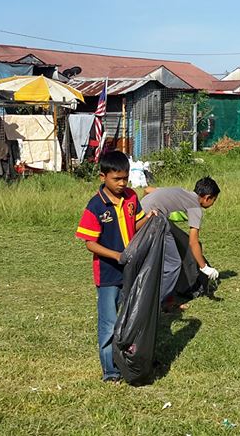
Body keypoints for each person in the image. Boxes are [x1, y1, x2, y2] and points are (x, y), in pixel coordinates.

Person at [75, 151, 157, 383]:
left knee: (131, 318)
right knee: (109, 323)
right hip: (109, 275)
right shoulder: (96, 206)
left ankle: (130, 360)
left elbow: (136, 223)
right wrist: (117, 256)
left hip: (131, 272)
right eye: (117, 179)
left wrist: (150, 217)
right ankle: (110, 370)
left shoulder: (131, 197)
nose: (122, 183)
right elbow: (90, 243)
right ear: (103, 177)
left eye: (125, 178)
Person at [142, 177, 221, 310]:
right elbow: (193, 242)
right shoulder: (195, 207)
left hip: (139, 217)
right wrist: (204, 268)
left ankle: (167, 298)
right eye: (214, 200)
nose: (213, 203)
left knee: (166, 255)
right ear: (207, 198)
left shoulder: (180, 191)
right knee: (173, 263)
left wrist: (142, 209)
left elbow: (147, 190)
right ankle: (155, 304)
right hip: (152, 222)